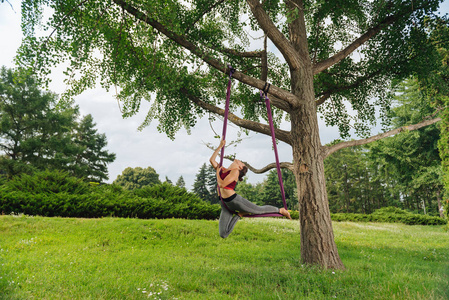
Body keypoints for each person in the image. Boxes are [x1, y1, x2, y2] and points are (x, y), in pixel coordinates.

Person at [209, 140, 292, 238]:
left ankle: (280, 210)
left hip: (234, 201)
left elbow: (222, 184)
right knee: (223, 234)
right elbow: (212, 160)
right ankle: (239, 215)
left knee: (258, 209)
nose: (238, 160)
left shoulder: (235, 171)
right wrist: (220, 146)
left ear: (240, 167)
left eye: (240, 162)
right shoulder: (223, 170)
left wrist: (217, 173)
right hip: (225, 205)